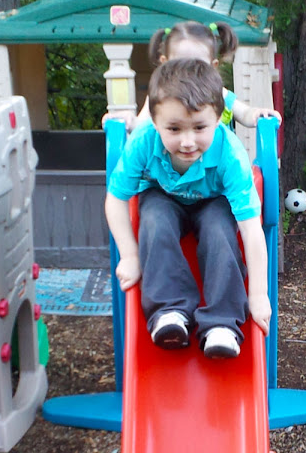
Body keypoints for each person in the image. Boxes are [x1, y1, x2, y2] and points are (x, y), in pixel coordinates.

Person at [105, 58, 271, 359]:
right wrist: (129, 256)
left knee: (220, 230)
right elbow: (116, 199)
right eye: (174, 128)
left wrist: (259, 295)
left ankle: (222, 323)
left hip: (213, 201)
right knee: (154, 219)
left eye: (199, 127)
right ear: (154, 122)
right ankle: (170, 311)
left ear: (218, 118)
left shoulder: (230, 155)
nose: (187, 141)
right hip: (163, 196)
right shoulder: (143, 141)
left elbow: (251, 228)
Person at [103, 20, 282, 132]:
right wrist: (128, 120)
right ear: (165, 63)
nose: (189, 72)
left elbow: (244, 113)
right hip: (175, 174)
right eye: (180, 64)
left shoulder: (218, 93)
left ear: (212, 66)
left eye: (197, 66)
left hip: (217, 174)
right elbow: (142, 124)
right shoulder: (162, 95)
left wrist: (257, 114)